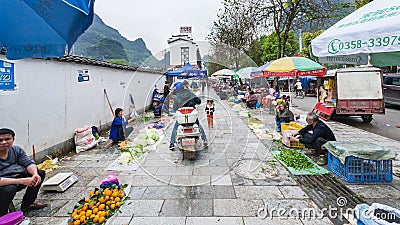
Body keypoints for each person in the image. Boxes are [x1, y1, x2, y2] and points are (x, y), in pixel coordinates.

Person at [0, 128, 47, 216]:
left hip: (15, 178)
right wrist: (22, 181)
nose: (3, 142)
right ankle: (2, 215)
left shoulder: (16, 150)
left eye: (7, 139)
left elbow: (28, 163)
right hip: (3, 183)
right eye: (0, 140)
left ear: (13, 139)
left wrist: (35, 174)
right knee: (9, 188)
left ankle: (28, 204)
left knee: (40, 174)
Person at [169, 81, 207, 151]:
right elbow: (199, 101)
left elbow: (174, 108)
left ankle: (171, 143)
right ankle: (204, 140)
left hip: (182, 118)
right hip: (192, 116)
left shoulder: (177, 96)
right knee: (198, 125)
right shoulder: (191, 93)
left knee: (175, 128)